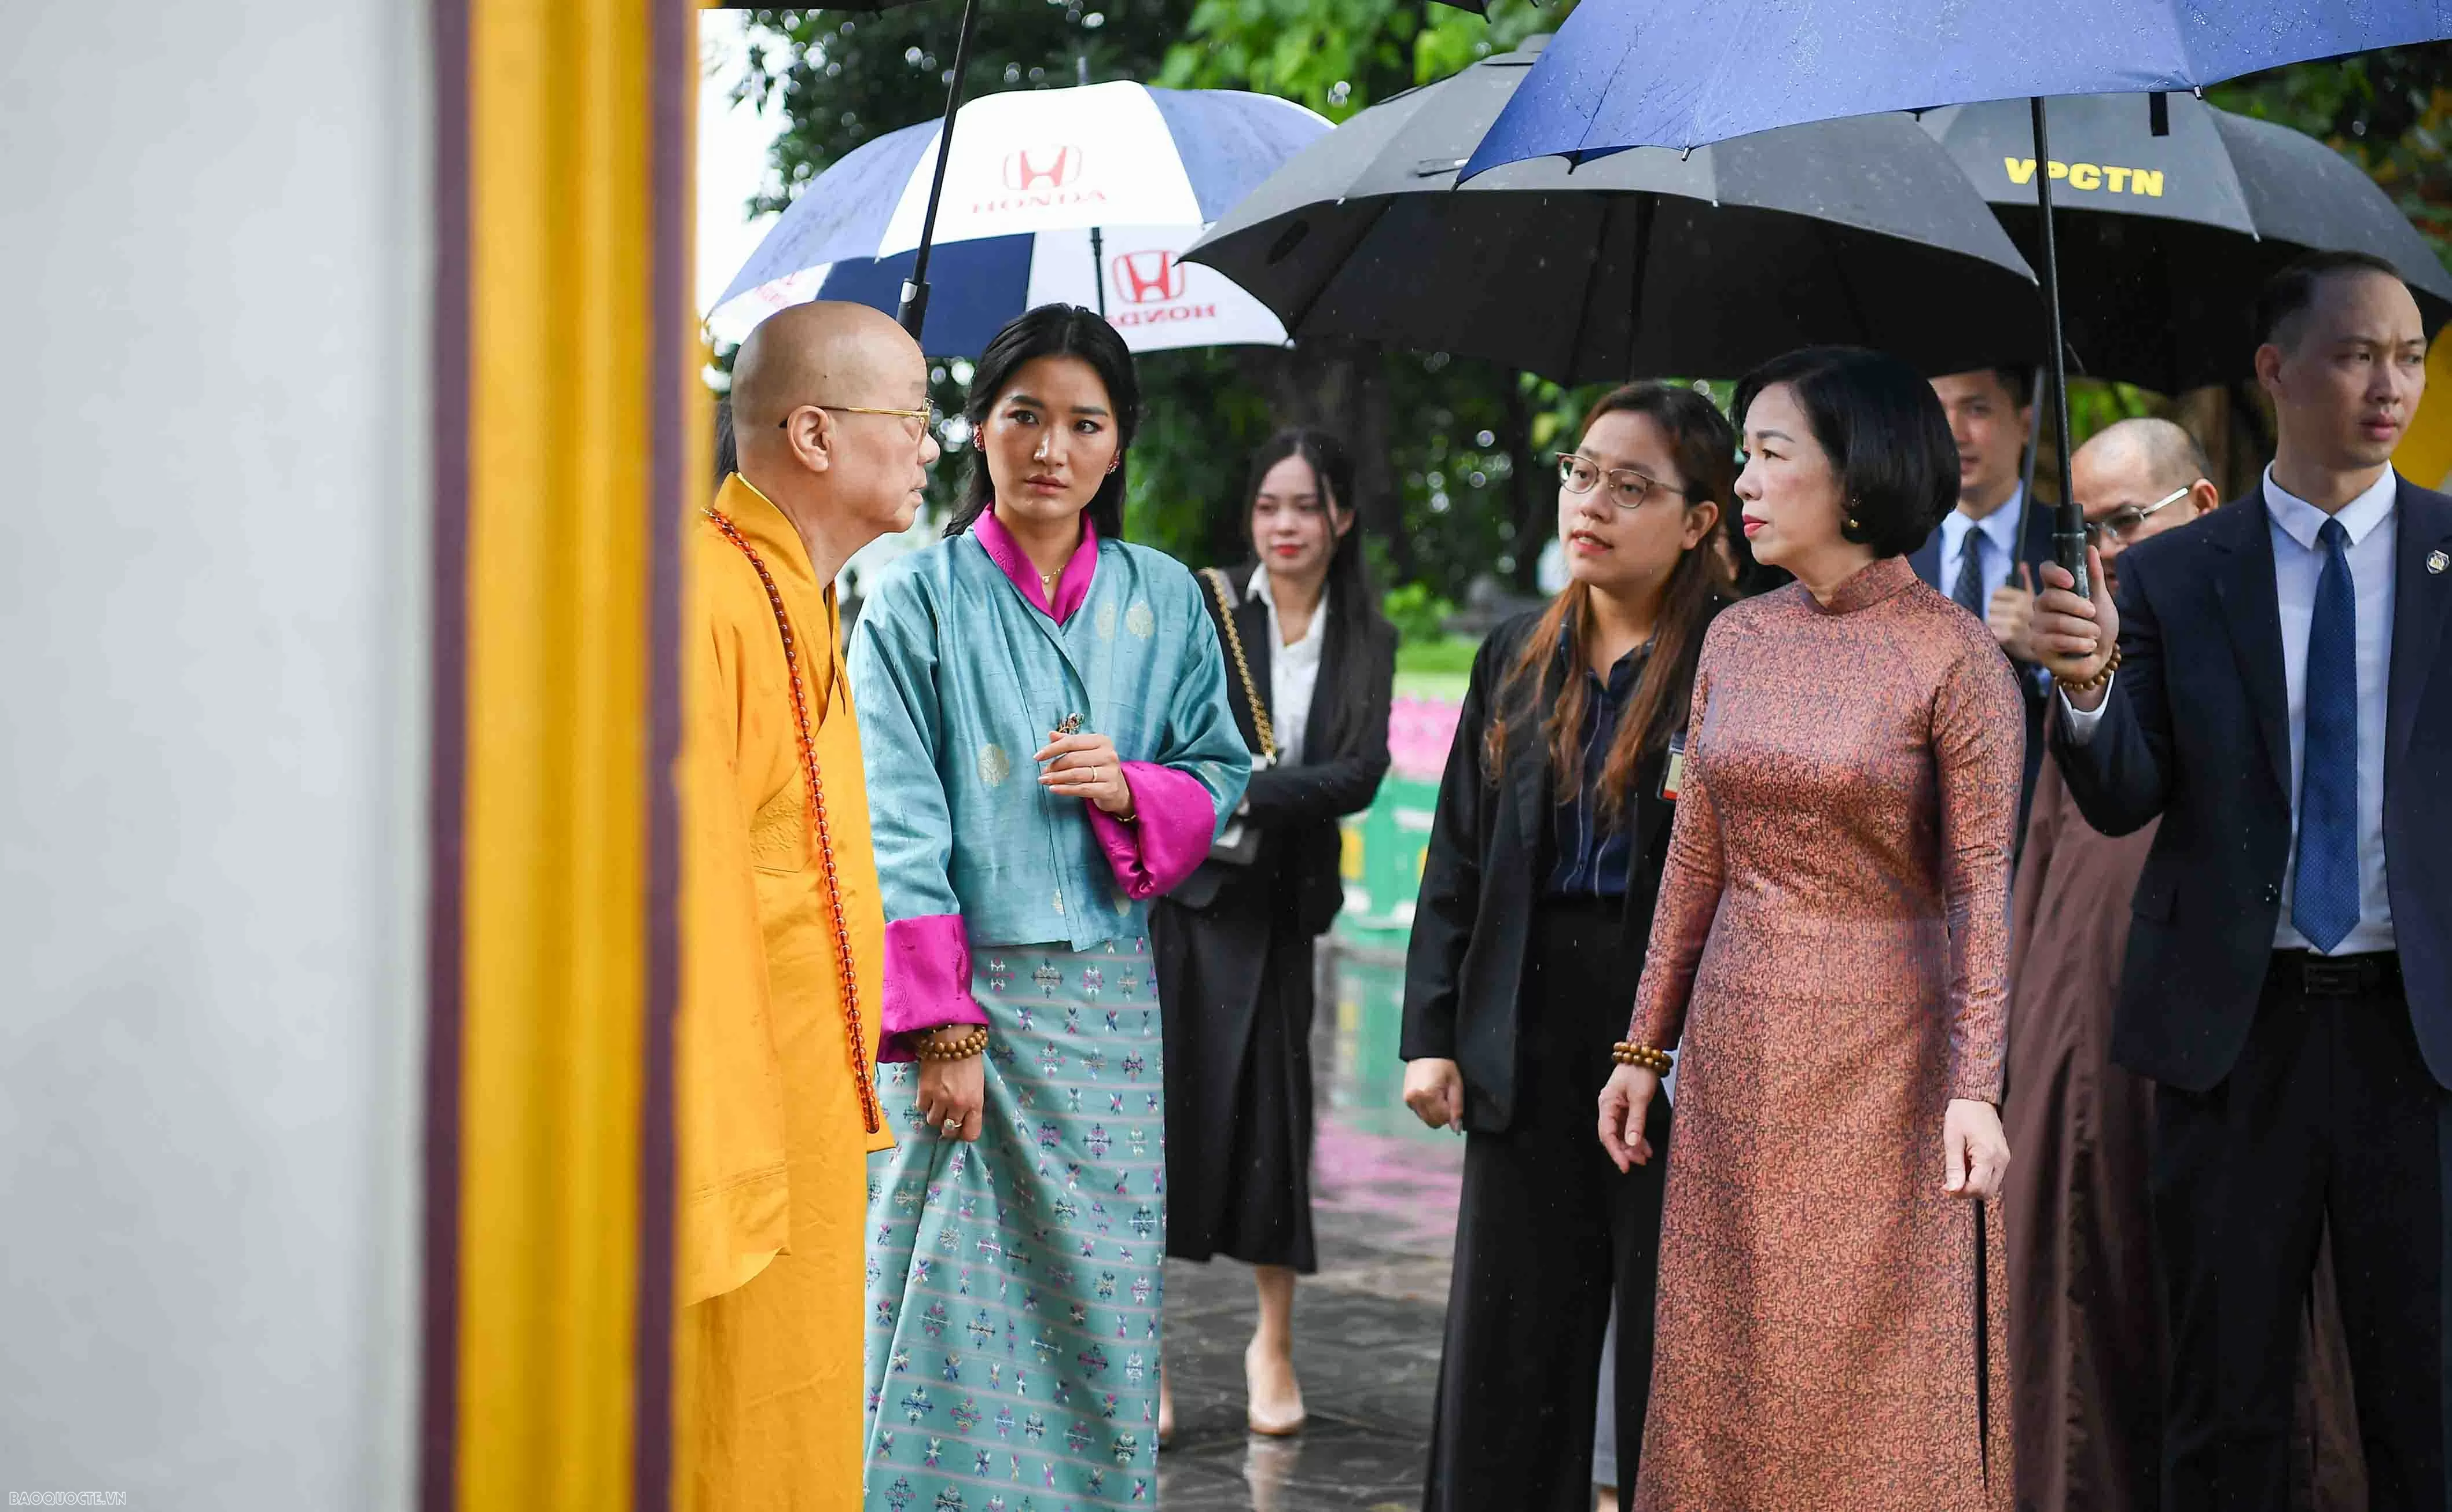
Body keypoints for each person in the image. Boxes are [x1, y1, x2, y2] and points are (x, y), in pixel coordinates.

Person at [2030, 250, 2450, 1512]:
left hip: (2417, 1036)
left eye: (2410, 356)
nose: (2389, 384)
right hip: (2233, 1028)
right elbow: (2124, 792)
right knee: (2224, 1400)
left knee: (2425, 1398)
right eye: (2355, 353)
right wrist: (2091, 686)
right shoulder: (2174, 570)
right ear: (2275, 370)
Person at [1597, 347, 2021, 1511]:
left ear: (1856, 473)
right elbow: (1698, 856)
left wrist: (1975, 1085)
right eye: (1746, 452)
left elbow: (1986, 890)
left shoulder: (1956, 656)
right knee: (1721, 1359)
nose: (1743, 477)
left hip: (1890, 1066)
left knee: (1873, 1365)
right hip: (1737, 1057)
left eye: (1770, 452)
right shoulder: (1736, 635)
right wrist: (1645, 1047)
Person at [850, 304, 1251, 1512]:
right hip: (961, 1013)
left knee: (1095, 1292)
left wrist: (1134, 785)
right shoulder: (913, 600)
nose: (1051, 447)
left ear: (1120, 445)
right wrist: (942, 1029)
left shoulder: (1168, 596)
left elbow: (1222, 771)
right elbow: (895, 824)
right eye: (1024, 415)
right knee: (934, 1295)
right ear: (979, 427)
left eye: (1085, 422)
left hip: (1109, 1015)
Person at [2007, 418, 2370, 1512]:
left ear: (2202, 505)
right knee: (2088, 1311)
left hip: (2252, 1048)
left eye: (2126, 521)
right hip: (2088, 1046)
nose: (2103, 551)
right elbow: (2041, 878)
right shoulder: (2082, 668)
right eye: (2087, 530)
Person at [1400, 382, 1737, 1512]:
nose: (1592, 502)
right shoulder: (1517, 652)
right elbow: (1455, 858)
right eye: (1581, 472)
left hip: (1673, 1031)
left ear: (1699, 518)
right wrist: (1433, 1035)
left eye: (1631, 486)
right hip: (1524, 1017)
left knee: (1660, 1344)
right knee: (1509, 1345)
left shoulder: (1733, 660)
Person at [677, 300, 940, 1510]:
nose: (935, 446)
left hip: (808, 1127)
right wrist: (719, 1168)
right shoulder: (712, 599)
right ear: (817, 434)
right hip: (734, 1152)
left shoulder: (801, 597)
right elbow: (692, 899)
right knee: (725, 1446)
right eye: (916, 417)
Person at [1150, 429, 1397, 1440]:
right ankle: (1147, 1356)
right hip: (1192, 904)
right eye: (1268, 507)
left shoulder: (1364, 635)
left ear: (1340, 515)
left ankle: (1272, 1343)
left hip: (1285, 914)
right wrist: (1257, 788)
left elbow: (1360, 773)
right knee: (1166, 1128)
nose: (1283, 525)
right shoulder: (1209, 611)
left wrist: (1241, 787)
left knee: (1274, 1125)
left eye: (1303, 506)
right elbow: (1170, 746)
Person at [1918, 366, 2057, 837]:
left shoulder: (2070, 546)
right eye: (1940, 413)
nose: (1955, 434)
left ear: (2025, 423)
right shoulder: (1893, 548)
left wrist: (2047, 657)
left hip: (2028, 824)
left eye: (1976, 409)